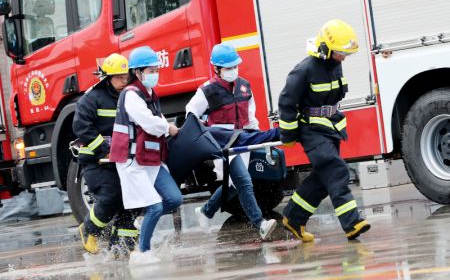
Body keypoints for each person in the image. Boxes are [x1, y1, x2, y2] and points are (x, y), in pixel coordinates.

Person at [278, 19, 371, 242]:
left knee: (322, 179)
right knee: (336, 169)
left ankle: (293, 218)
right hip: (311, 130)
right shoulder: (303, 71)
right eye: (340, 52)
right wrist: (288, 136)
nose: (343, 57)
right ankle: (352, 222)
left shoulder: (334, 64)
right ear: (325, 48)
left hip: (330, 128)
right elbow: (286, 102)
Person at [186, 43, 277, 240]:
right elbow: (191, 114)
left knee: (233, 184)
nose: (233, 71)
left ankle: (206, 211)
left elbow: (250, 115)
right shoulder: (206, 91)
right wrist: (206, 133)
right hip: (222, 145)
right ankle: (260, 223)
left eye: (235, 66)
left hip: (243, 140)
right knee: (244, 181)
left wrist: (258, 135)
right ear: (216, 69)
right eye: (228, 68)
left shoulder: (244, 86)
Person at [109, 46, 183, 264]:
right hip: (132, 162)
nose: (155, 74)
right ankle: (142, 252)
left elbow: (156, 118)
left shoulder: (150, 94)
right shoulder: (130, 95)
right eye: (151, 70)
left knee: (174, 198)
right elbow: (149, 122)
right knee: (156, 206)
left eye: (156, 69)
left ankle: (144, 220)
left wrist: (166, 124)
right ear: (138, 73)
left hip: (150, 158)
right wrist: (167, 127)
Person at [73, 53, 138, 257]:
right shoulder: (92, 99)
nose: (123, 81)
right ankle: (89, 229)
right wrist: (104, 149)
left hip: (123, 159)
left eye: (125, 76)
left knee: (132, 198)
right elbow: (81, 126)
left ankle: (122, 243)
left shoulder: (130, 96)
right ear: (107, 78)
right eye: (118, 77)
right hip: (96, 161)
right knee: (111, 196)